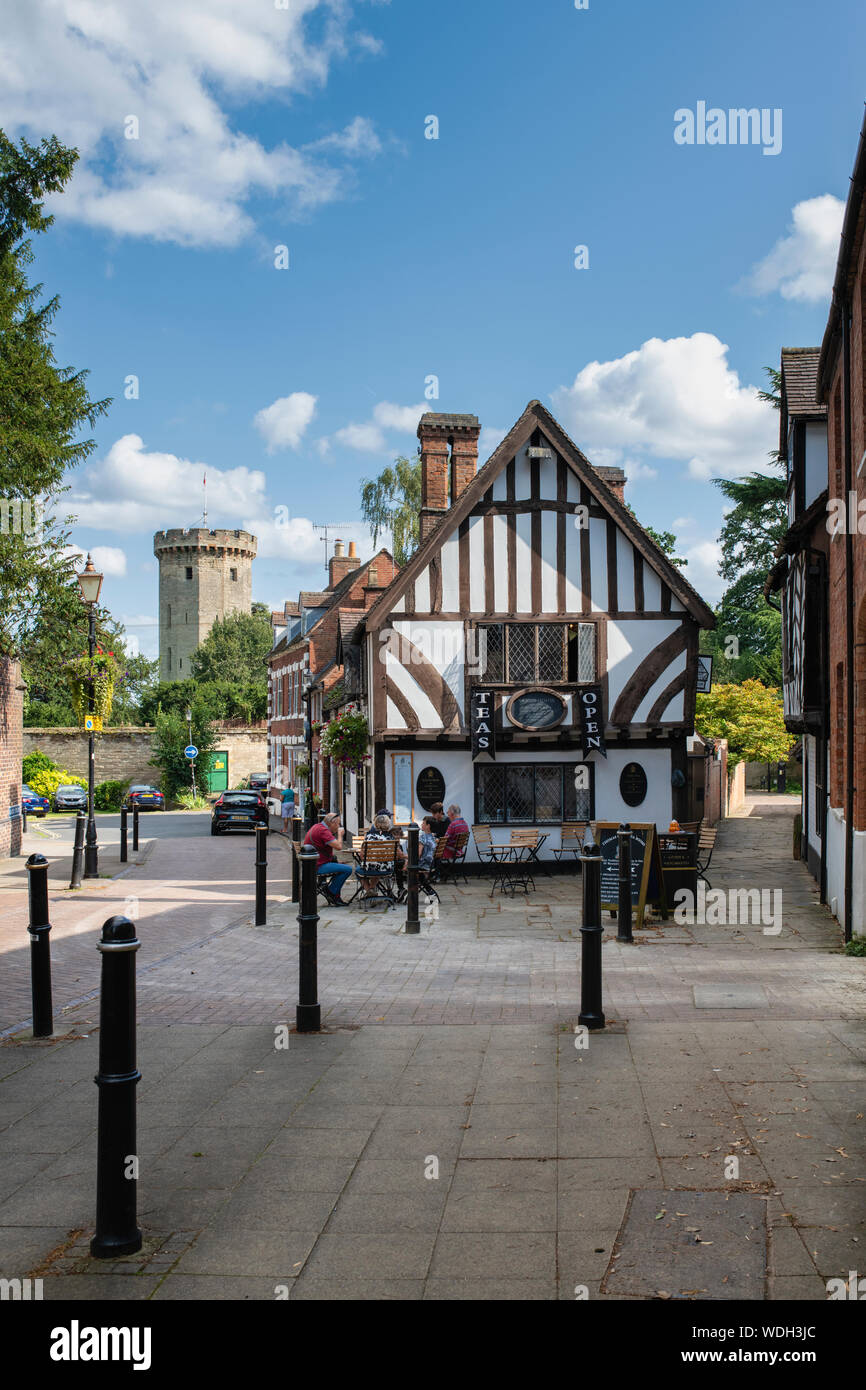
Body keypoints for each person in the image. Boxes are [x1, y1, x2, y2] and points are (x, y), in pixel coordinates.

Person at [303, 811, 353, 906]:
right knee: (348, 869)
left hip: (312, 864)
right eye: (338, 824)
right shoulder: (323, 831)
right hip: (318, 866)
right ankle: (331, 892)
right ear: (332, 823)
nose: (338, 826)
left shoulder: (317, 826)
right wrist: (340, 835)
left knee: (340, 865)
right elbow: (338, 846)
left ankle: (335, 895)